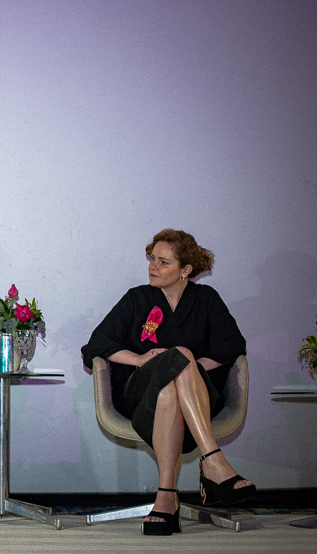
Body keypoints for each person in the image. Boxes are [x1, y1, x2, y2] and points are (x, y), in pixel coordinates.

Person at [81, 228, 256, 536]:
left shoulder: (206, 300)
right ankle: (213, 460)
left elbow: (232, 345)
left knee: (174, 382)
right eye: (152, 259)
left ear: (185, 270)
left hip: (196, 401)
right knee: (180, 356)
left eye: (163, 262)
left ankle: (165, 499)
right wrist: (139, 359)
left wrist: (191, 368)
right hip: (139, 396)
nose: (153, 267)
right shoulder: (137, 298)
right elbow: (96, 344)